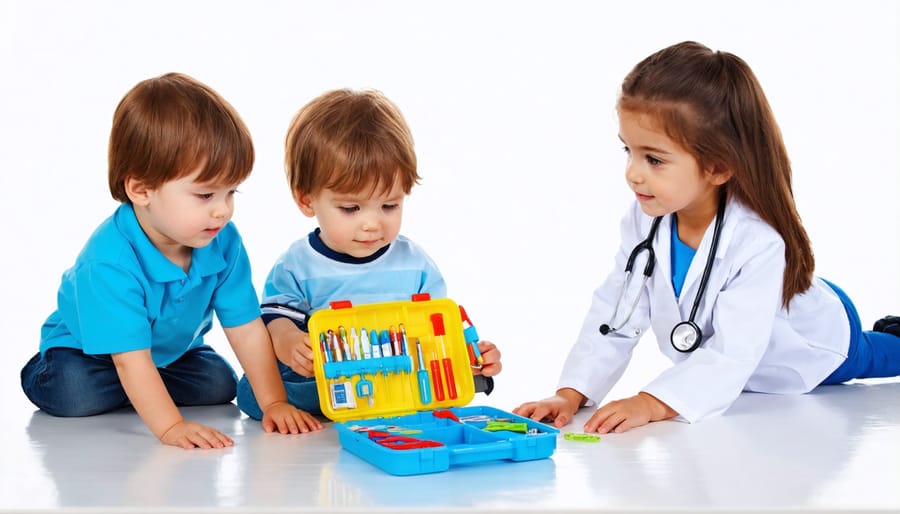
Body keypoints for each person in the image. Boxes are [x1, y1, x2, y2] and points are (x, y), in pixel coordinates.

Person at [513, 41, 900, 434]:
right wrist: (570, 393)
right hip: (766, 308)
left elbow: (733, 352)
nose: (633, 173)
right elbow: (615, 314)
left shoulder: (757, 242)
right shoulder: (645, 221)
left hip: (816, 336)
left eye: (654, 159)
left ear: (717, 167)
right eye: (628, 150)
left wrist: (651, 403)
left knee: (884, 354)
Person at [21, 72, 323, 449]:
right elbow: (129, 359)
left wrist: (274, 402)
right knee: (74, 391)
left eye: (231, 192)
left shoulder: (222, 242)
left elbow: (246, 328)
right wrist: (171, 427)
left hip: (168, 355)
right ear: (141, 189)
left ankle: (146, 389)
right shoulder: (108, 264)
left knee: (218, 384)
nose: (223, 211)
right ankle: (132, 390)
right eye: (205, 195)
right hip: (86, 355)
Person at [236, 89, 502, 418]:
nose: (372, 224)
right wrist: (291, 343)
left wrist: (471, 356)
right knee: (253, 390)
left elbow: (437, 334)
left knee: (454, 379)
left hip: (401, 374)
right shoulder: (296, 265)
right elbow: (276, 322)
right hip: (329, 377)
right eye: (351, 208)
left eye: (389, 205)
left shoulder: (415, 264)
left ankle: (407, 396)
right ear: (307, 201)